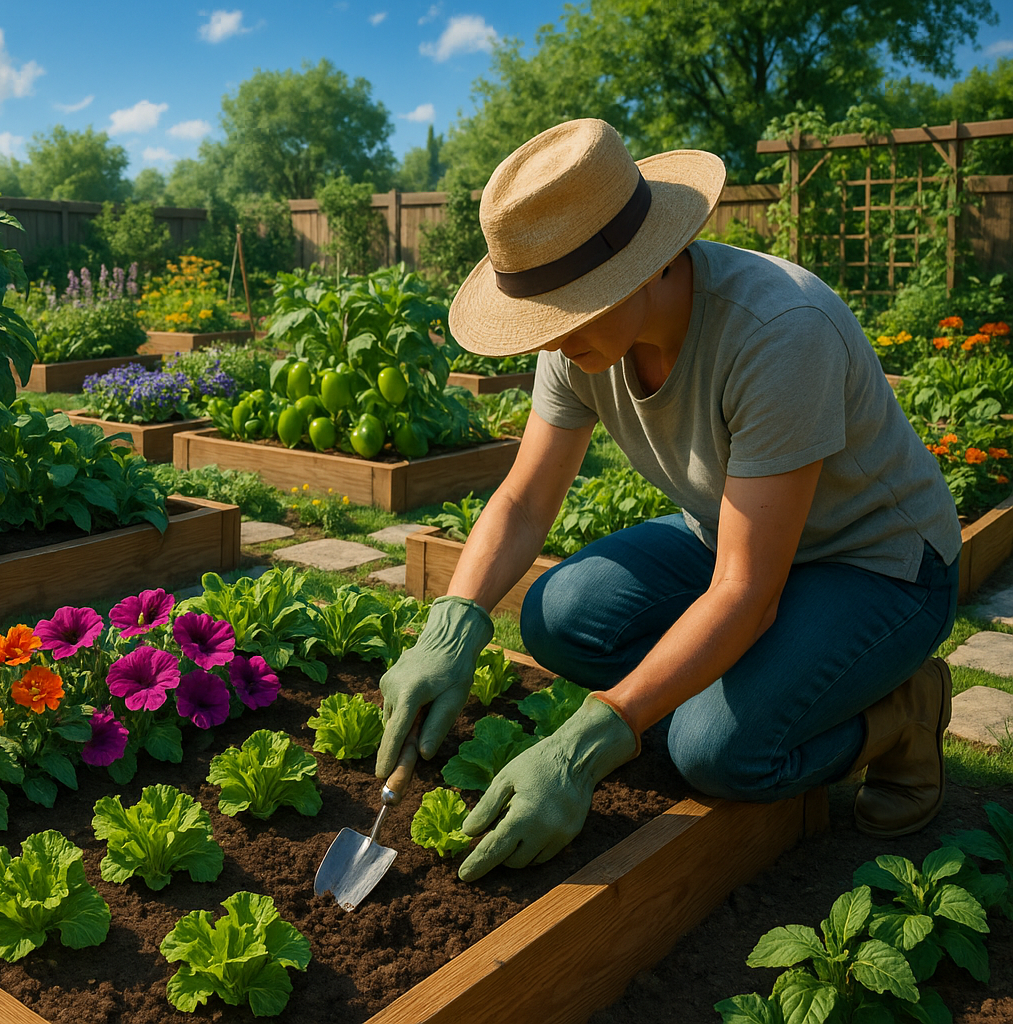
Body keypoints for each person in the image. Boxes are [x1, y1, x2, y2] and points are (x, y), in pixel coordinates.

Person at [377, 119, 961, 883]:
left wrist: (589, 741)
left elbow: (748, 592)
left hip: (878, 566)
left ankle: (901, 714)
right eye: (541, 316)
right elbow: (523, 500)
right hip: (730, 539)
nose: (548, 340)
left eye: (568, 308)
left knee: (715, 750)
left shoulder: (779, 330)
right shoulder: (579, 340)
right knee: (558, 615)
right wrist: (453, 624)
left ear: (647, 263)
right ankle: (765, 676)